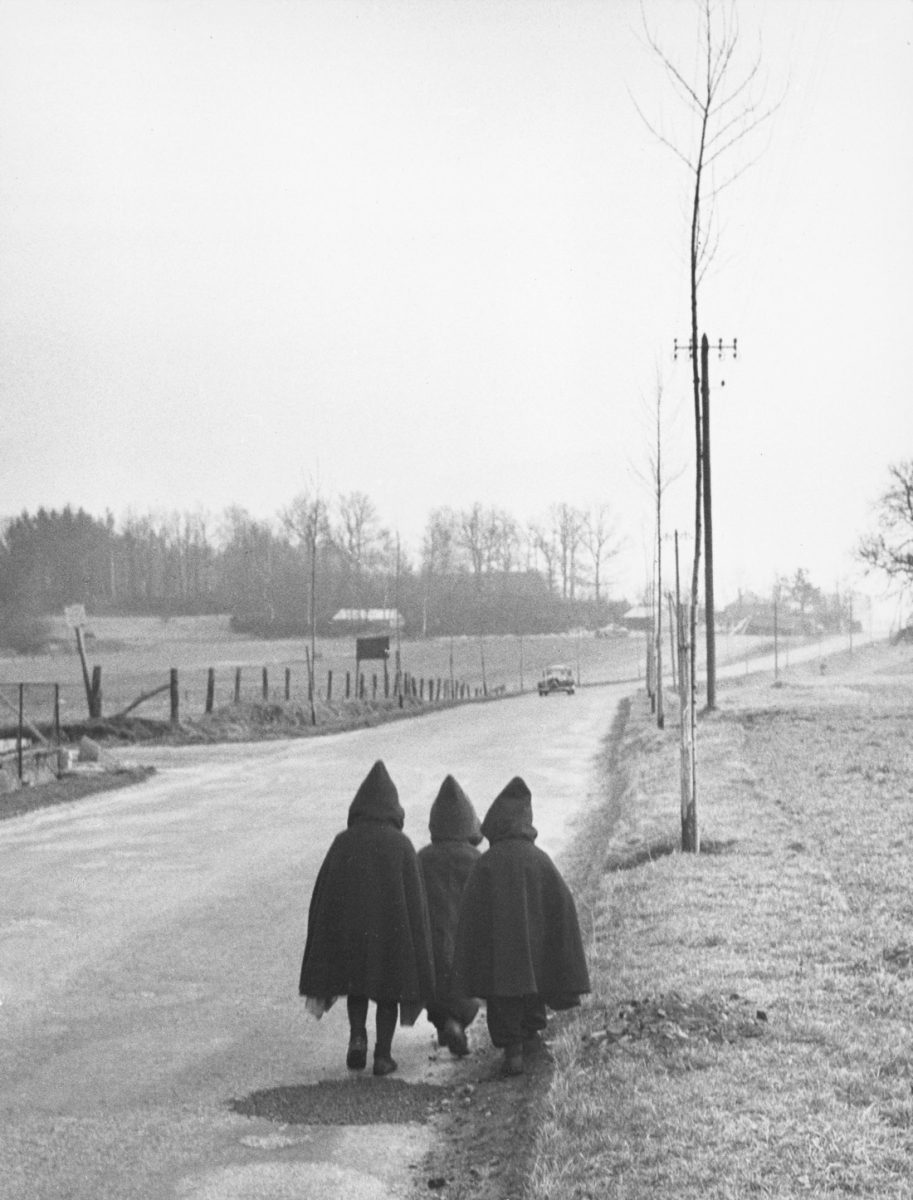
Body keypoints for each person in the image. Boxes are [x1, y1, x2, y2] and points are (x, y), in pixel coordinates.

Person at [298, 760, 434, 1077]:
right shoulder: (402, 846)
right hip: (390, 936)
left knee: (356, 987)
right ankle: (383, 1055)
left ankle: (357, 1037)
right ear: (393, 808)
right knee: (388, 993)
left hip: (352, 935)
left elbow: (324, 896)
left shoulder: (342, 842)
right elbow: (417, 903)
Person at [452, 775, 590, 1076]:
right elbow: (562, 901)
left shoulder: (486, 864)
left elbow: (470, 912)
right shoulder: (539, 860)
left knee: (502, 996)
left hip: (500, 956)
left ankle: (512, 1051)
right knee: (532, 985)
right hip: (533, 954)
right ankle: (531, 1037)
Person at [417, 774, 483, 1057]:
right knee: (465, 987)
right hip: (465, 939)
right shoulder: (475, 859)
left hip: (431, 939)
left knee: (435, 988)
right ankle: (458, 1024)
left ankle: (445, 1024)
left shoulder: (422, 857)